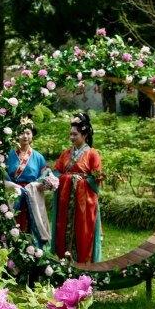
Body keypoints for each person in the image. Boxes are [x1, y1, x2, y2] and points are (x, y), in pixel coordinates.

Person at [51, 112, 103, 264]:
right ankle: (63, 262)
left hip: (84, 205)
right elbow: (56, 172)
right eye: (71, 134)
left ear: (84, 134)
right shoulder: (66, 153)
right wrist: (69, 178)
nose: (72, 137)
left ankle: (82, 265)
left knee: (83, 233)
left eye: (75, 134)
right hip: (65, 203)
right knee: (63, 231)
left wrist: (80, 182)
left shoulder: (92, 154)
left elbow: (96, 180)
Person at [4, 117, 53, 248]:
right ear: (16, 135)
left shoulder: (38, 157)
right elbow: (3, 176)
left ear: (32, 135)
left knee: (32, 227)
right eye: (22, 133)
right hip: (14, 195)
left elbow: (45, 175)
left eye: (28, 133)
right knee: (13, 226)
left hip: (33, 196)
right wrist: (13, 186)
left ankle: (34, 252)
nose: (25, 136)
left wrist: (39, 184)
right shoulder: (8, 155)